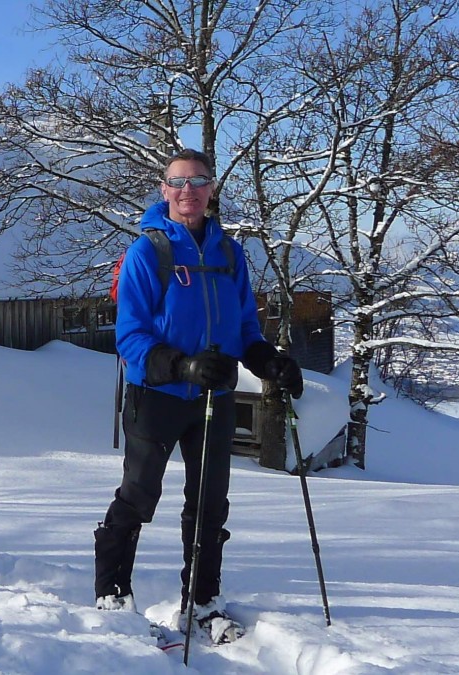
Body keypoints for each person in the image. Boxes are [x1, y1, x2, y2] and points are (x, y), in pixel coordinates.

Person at [99, 149, 304, 641]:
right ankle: (113, 595)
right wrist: (182, 365)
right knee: (138, 496)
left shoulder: (229, 254)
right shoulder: (148, 252)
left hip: (215, 397)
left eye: (197, 181)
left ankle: (203, 603)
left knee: (210, 504)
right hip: (156, 395)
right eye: (178, 181)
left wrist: (268, 361)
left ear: (212, 189)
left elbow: (245, 328)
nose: (187, 191)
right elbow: (130, 336)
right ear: (164, 189)